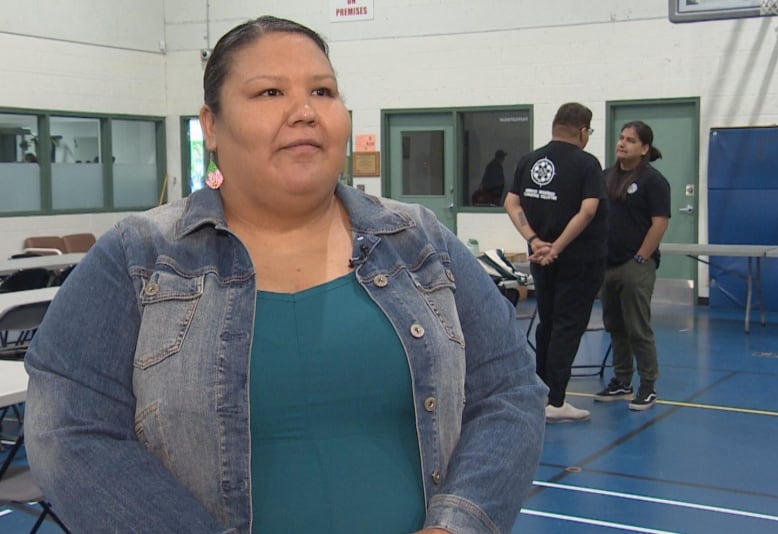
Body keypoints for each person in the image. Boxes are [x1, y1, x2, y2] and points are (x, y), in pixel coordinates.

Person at [24, 15, 547, 534]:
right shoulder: (137, 258)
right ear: (211, 125)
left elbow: (511, 391)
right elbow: (69, 430)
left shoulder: (418, 241)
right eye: (270, 92)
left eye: (322, 90)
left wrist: (458, 525)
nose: (304, 112)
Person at [504, 102, 607, 423]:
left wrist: (536, 242)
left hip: (541, 258)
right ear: (582, 131)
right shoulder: (587, 164)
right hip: (577, 261)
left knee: (548, 322)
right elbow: (588, 210)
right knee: (567, 325)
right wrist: (557, 247)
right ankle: (557, 400)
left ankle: (542, 393)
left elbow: (511, 202)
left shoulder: (529, 160)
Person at [594, 121, 671, 411]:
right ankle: (622, 380)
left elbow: (660, 222)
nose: (622, 143)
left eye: (630, 140)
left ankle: (648, 385)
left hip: (635, 265)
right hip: (607, 264)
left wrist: (641, 256)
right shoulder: (605, 177)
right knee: (615, 325)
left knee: (638, 327)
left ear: (644, 148)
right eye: (621, 138)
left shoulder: (654, 181)